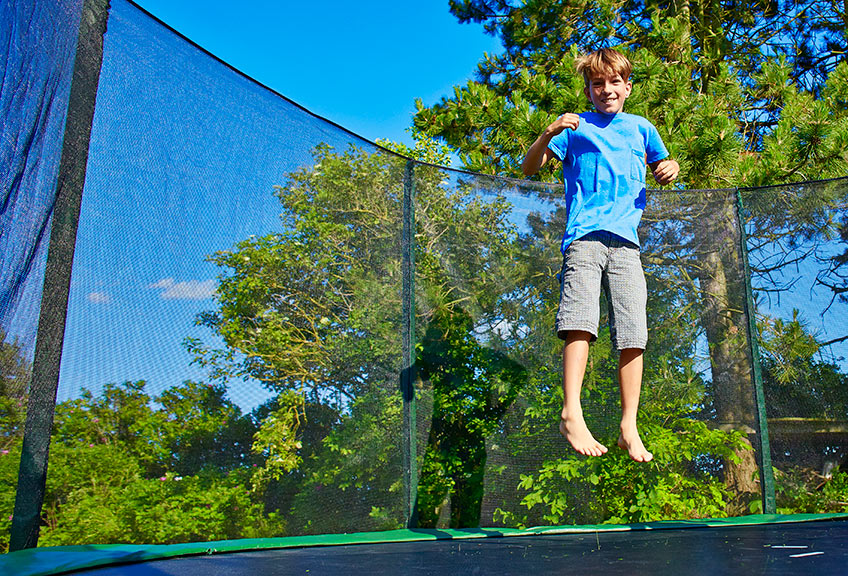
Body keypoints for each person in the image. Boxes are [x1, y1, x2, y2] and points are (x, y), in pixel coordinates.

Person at [521, 47, 679, 462]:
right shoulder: (574, 129)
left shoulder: (642, 129)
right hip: (584, 238)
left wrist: (670, 168)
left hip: (627, 242)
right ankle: (571, 411)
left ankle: (630, 424)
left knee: (633, 332)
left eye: (613, 83)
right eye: (597, 84)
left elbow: (664, 164)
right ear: (588, 90)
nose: (606, 90)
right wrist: (548, 132)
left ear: (627, 86)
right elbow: (529, 167)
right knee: (579, 322)